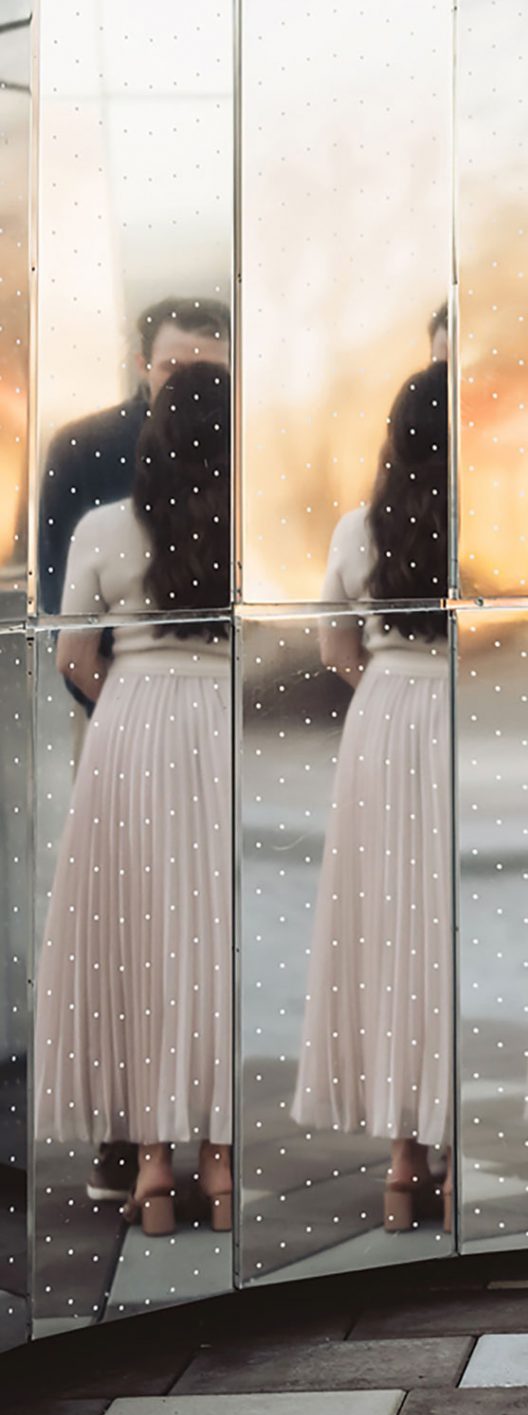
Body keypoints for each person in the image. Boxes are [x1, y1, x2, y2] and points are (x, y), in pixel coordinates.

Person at [34, 361, 233, 1234]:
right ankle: (220, 1167)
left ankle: (150, 1166)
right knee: (209, 934)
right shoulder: (242, 527)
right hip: (214, 724)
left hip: (129, 726)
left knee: (138, 936)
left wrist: (130, 690)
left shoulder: (105, 529)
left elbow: (73, 657)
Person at [293, 363, 454, 1231]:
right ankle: (452, 1150)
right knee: (445, 924)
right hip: (448, 713)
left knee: (389, 921)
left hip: (383, 714)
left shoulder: (361, 526)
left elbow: (333, 644)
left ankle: (402, 1163)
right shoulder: (472, 524)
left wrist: (382, 684)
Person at [38, 294, 231, 620]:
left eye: (207, 372)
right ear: (142, 365)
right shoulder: (81, 448)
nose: (190, 387)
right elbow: (58, 585)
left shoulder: (251, 447)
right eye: (174, 369)